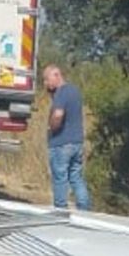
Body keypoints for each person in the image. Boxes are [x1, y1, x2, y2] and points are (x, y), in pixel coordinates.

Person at [43, 65, 90, 211]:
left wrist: (52, 128)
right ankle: (84, 207)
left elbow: (58, 115)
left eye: (47, 79)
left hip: (62, 142)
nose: (45, 83)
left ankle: (60, 208)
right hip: (77, 142)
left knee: (60, 177)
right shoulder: (75, 91)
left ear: (57, 75)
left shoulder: (61, 93)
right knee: (75, 176)